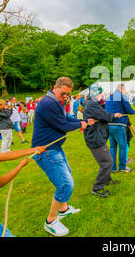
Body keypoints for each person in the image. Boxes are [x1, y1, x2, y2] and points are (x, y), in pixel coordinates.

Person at [31, 77, 86, 236]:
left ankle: (63, 209)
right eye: (63, 93)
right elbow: (62, 125)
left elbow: (66, 118)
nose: (65, 97)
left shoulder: (57, 101)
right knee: (65, 184)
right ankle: (51, 221)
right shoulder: (48, 103)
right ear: (55, 87)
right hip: (46, 151)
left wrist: (81, 120)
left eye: (68, 95)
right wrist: (81, 124)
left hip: (54, 148)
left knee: (66, 176)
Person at [83, 84, 121, 198]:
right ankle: (97, 188)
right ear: (95, 93)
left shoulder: (93, 103)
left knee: (107, 159)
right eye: (100, 93)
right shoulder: (92, 104)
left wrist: (113, 115)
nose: (102, 95)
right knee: (107, 162)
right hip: (95, 138)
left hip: (98, 136)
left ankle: (107, 179)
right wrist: (113, 115)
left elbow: (103, 115)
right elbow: (106, 116)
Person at [105, 83, 135, 173]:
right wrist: (134, 112)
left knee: (113, 146)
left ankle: (113, 168)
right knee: (123, 146)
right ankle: (122, 167)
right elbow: (128, 109)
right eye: (124, 90)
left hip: (109, 125)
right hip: (118, 125)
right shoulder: (121, 96)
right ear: (122, 89)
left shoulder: (109, 97)